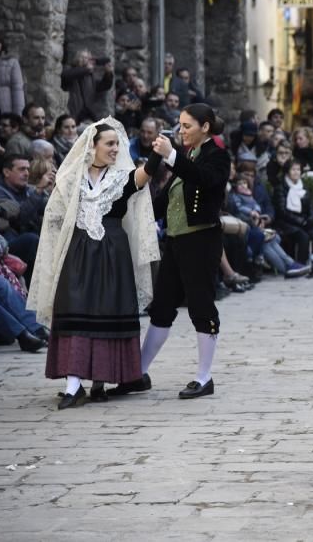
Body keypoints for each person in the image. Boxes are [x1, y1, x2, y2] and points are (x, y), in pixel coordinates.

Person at [27, 119, 160, 409]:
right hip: (77, 255)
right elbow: (55, 216)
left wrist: (158, 153)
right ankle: (74, 385)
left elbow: (145, 174)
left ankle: (99, 381)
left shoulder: (122, 177)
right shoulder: (72, 179)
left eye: (117, 144)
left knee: (106, 313)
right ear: (93, 146)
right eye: (109, 143)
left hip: (113, 256)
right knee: (74, 310)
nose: (115, 148)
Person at [109, 104, 229, 400]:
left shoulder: (217, 155)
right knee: (162, 307)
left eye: (187, 125)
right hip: (176, 242)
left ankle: (204, 377)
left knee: (201, 307)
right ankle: (138, 372)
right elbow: (167, 199)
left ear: (205, 127)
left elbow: (204, 179)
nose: (182, 130)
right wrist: (133, 212)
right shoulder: (186, 156)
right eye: (180, 125)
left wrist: (171, 155)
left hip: (202, 241)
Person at [61, 50, 115, 122]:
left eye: (88, 58)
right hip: (74, 112)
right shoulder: (69, 69)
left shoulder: (89, 75)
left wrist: (108, 74)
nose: (86, 60)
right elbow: (66, 75)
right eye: (83, 57)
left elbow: (103, 86)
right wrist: (86, 69)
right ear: (77, 58)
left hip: (89, 113)